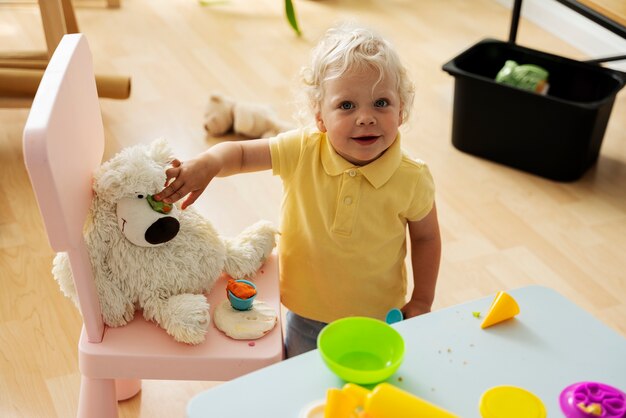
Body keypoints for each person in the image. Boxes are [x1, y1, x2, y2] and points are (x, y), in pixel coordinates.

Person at [155, 24, 441, 358]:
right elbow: (244, 155)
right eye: (347, 105)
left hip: (379, 316)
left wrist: (422, 299)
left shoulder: (413, 177)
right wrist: (210, 162)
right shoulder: (303, 149)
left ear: (401, 110)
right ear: (320, 117)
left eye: (381, 103)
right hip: (306, 313)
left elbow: (426, 238)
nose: (365, 118)